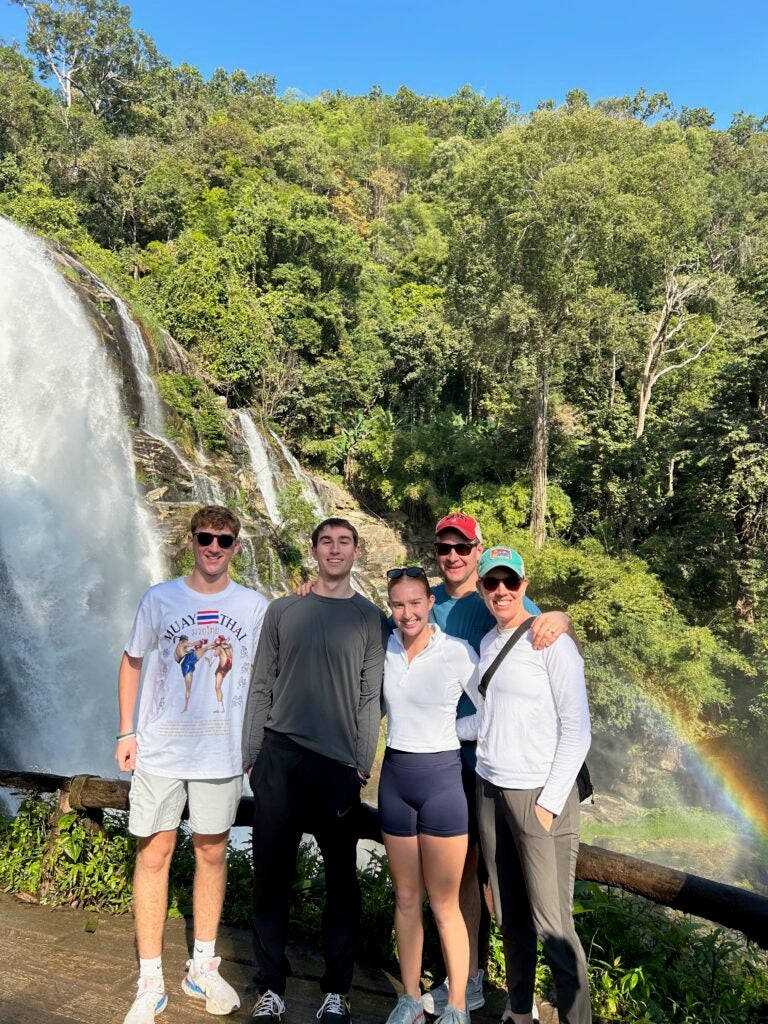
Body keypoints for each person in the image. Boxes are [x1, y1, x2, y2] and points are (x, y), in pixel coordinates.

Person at [116, 506, 269, 1024]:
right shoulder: (159, 599)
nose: (213, 547)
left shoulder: (254, 606)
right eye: (206, 538)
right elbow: (133, 659)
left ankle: (202, 965)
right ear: (190, 540)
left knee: (211, 851)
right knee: (154, 852)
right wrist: (126, 730)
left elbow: (274, 662)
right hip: (161, 749)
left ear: (236, 547)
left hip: (222, 752)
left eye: (224, 540)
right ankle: (150, 979)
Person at [423, 512, 574, 1021]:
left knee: (533, 905)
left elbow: (542, 628)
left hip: (522, 782)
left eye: (462, 548)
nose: (453, 557)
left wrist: (563, 617)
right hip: (466, 766)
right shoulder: (432, 604)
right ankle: (480, 987)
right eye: (445, 548)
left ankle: (531, 999)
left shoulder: (512, 612)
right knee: (474, 881)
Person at [242, 517, 389, 1024]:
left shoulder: (372, 620)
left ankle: (337, 991)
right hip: (279, 757)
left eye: (343, 542)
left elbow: (371, 699)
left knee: (342, 883)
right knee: (271, 878)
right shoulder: (283, 610)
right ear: (314, 551)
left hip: (338, 766)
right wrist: (251, 755)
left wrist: (361, 767)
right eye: (326, 541)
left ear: (356, 552)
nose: (334, 549)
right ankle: (271, 987)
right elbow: (261, 682)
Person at [474, 546, 592, 1024]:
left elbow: (577, 728)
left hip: (538, 795)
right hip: (490, 789)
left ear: (524, 585)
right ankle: (519, 1009)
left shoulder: (552, 642)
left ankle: (576, 1019)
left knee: (553, 925)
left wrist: (547, 804)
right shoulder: (487, 643)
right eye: (492, 583)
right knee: (509, 914)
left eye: (510, 582)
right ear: (482, 589)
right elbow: (487, 718)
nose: (501, 591)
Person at [379, 566, 480, 1024]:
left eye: (415, 603)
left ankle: (457, 1005)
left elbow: (490, 710)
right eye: (398, 604)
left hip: (442, 780)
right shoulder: (383, 649)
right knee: (405, 897)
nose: (407, 612)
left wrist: (450, 731)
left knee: (445, 903)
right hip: (395, 777)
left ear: (429, 603)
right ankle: (410, 998)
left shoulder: (456, 652)